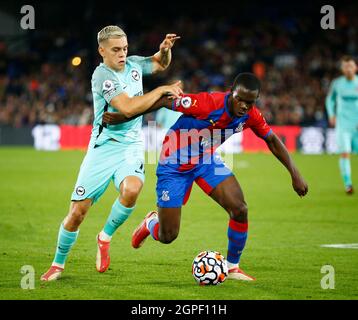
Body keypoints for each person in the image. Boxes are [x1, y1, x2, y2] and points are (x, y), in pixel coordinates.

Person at [103, 72, 308, 281]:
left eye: (250, 102)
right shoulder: (207, 103)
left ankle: (232, 267)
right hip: (174, 164)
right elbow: (165, 100)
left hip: (205, 160)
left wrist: (295, 174)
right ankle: (150, 224)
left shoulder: (251, 115)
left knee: (239, 208)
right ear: (232, 94)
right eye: (240, 100)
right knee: (168, 236)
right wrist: (125, 116)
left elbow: (272, 140)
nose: (245, 106)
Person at [40, 25, 182, 281]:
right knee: (77, 213)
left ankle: (104, 237)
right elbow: (127, 108)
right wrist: (161, 91)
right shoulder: (101, 76)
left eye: (125, 48)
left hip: (130, 146)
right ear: (102, 50)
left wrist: (164, 50)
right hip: (102, 149)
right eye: (116, 50)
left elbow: (160, 65)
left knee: (132, 189)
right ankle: (58, 264)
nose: (122, 54)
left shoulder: (134, 65)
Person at [326, 55, 358, 195]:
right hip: (343, 125)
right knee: (345, 154)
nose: (348, 69)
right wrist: (331, 114)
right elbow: (329, 100)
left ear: (355, 67)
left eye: (350, 66)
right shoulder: (337, 83)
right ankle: (348, 184)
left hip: (356, 124)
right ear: (342, 69)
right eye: (345, 66)